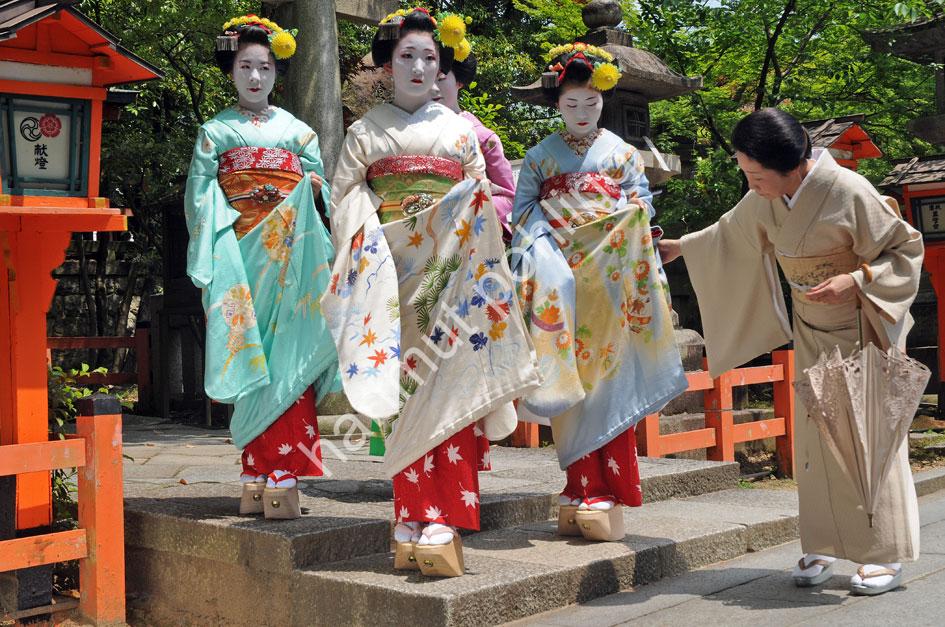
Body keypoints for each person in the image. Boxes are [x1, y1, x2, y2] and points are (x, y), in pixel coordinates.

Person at [658, 108, 924, 595]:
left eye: (756, 175)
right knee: (815, 441)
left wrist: (856, 279)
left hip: (861, 328)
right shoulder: (769, 196)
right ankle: (823, 542)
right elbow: (731, 233)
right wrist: (682, 248)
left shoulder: (849, 191)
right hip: (811, 330)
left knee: (866, 438)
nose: (751, 184)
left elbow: (904, 251)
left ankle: (882, 552)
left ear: (794, 165)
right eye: (746, 173)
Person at [321, 8, 539, 577]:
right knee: (403, 388)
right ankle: (410, 511)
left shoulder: (459, 131)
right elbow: (344, 201)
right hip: (390, 276)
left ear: (441, 66)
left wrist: (453, 226)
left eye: (429, 58)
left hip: (451, 276)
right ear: (387, 65)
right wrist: (383, 233)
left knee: (451, 385)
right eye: (406, 57)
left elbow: (481, 201)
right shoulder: (365, 132)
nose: (419, 67)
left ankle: (445, 513)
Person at [511, 43, 687, 542]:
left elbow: (641, 205)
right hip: (561, 279)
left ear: (603, 99)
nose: (582, 111)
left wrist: (628, 215)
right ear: (557, 104)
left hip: (610, 283)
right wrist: (553, 243)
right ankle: (577, 485)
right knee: (569, 379)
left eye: (591, 102)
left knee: (609, 377)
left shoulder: (623, 153)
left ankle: (607, 488)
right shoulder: (540, 156)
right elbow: (522, 214)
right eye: (571, 104)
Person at [184, 14, 339, 520]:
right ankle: (255, 468)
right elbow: (200, 198)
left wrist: (309, 190)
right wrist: (223, 234)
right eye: (246, 66)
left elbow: (322, 191)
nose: (255, 77)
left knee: (288, 353)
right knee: (247, 351)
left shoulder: (298, 132)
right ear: (230, 70)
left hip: (291, 257)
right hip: (240, 255)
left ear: (277, 72)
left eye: (265, 67)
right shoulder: (214, 132)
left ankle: (283, 472)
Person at [433, 53, 516, 237]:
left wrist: (469, 212)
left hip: (471, 229)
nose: (433, 86)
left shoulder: (484, 138)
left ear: (459, 81)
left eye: (440, 78)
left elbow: (508, 195)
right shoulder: (413, 132)